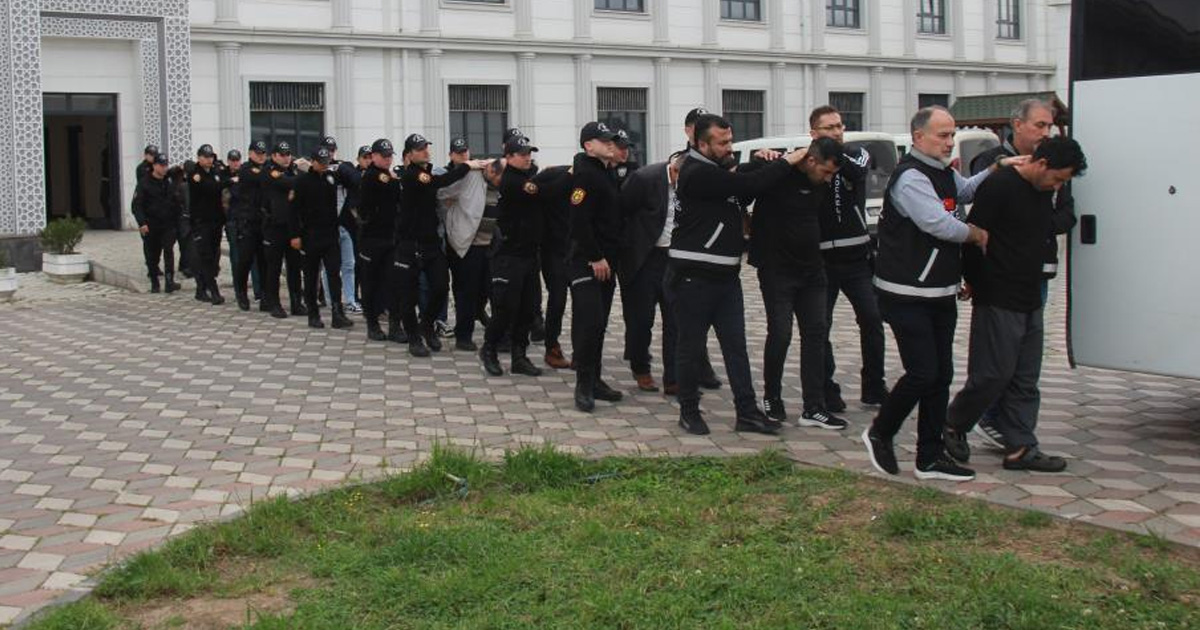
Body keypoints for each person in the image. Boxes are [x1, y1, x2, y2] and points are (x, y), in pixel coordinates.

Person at [861, 106, 1024, 482]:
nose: (949, 142)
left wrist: (994, 170)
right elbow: (937, 223)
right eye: (942, 135)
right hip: (906, 293)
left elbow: (962, 190)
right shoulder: (911, 177)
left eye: (952, 135)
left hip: (938, 292)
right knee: (923, 373)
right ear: (918, 137)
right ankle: (880, 431)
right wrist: (976, 234)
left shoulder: (941, 172)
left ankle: (930, 457)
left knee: (941, 375)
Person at [942, 136, 1087, 473]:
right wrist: (975, 283)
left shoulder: (1043, 191)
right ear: (1041, 163)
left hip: (1030, 293)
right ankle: (953, 423)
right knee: (992, 374)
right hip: (997, 294)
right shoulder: (1000, 186)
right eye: (1057, 178)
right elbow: (973, 237)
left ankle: (1021, 447)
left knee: (1025, 377)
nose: (1058, 186)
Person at [669, 113, 808, 436]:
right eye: (723, 143)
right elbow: (745, 184)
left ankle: (747, 412)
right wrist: (789, 160)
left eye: (731, 140)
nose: (729, 147)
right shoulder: (696, 172)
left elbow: (743, 188)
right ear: (701, 144)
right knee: (690, 347)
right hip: (693, 277)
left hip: (726, 278)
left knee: (736, 347)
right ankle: (689, 410)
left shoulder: (716, 171)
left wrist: (762, 161)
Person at [966, 100, 1076, 451]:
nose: (1045, 132)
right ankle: (975, 419)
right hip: (998, 284)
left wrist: (1039, 229)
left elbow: (1066, 215)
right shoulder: (996, 169)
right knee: (996, 364)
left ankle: (1019, 440)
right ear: (1018, 125)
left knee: (1025, 367)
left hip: (1034, 277)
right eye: (1039, 125)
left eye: (1049, 126)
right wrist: (978, 279)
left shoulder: (1054, 171)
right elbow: (976, 230)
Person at [749, 136, 849, 430]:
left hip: (812, 271)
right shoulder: (779, 170)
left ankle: (814, 407)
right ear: (811, 160)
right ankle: (772, 397)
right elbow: (745, 181)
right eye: (826, 172)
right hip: (777, 270)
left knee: (816, 334)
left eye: (833, 174)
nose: (829, 179)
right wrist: (767, 158)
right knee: (780, 333)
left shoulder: (822, 183)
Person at [810, 105, 889, 409]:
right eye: (829, 128)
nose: (837, 132)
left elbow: (857, 170)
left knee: (872, 319)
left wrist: (831, 151)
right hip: (821, 260)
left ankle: (874, 385)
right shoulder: (809, 160)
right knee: (820, 325)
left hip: (856, 256)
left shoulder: (856, 153)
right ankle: (826, 387)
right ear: (814, 132)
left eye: (840, 126)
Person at [396, 133, 485, 356]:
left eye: (427, 146)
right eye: (420, 149)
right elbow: (440, 182)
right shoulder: (412, 175)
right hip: (409, 243)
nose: (426, 151)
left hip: (430, 242)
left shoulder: (426, 172)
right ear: (409, 155)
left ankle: (426, 324)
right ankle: (414, 338)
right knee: (408, 294)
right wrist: (467, 166)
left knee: (440, 287)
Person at [567, 122, 626, 412]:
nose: (611, 145)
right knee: (589, 323)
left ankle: (596, 380)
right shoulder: (585, 175)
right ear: (589, 145)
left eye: (612, 140)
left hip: (607, 261)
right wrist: (594, 257)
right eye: (605, 141)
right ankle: (583, 384)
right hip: (587, 262)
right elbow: (580, 222)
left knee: (600, 323)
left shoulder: (608, 172)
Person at [480, 136, 545, 377]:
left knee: (527, 309)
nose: (528, 157)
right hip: (509, 256)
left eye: (529, 152)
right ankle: (489, 350)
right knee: (505, 308)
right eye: (522, 153)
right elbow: (541, 189)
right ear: (509, 157)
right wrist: (569, 172)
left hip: (528, 254)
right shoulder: (512, 181)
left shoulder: (527, 176)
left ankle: (520, 356)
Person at [290, 147, 354, 330]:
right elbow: (293, 211)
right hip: (310, 236)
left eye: (327, 162)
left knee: (334, 274)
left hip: (330, 235)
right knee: (311, 276)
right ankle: (313, 313)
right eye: (321, 162)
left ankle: (337, 312)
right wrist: (295, 235)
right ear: (313, 161)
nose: (324, 165)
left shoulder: (330, 178)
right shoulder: (302, 181)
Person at [441, 138, 493, 352]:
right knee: (465, 290)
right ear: (451, 155)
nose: (463, 156)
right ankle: (464, 334)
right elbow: (440, 191)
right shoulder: (463, 175)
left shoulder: (481, 171)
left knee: (486, 287)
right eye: (458, 153)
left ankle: (478, 314)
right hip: (465, 242)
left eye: (465, 152)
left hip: (488, 241)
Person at [357, 138, 402, 343]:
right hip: (372, 238)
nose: (387, 159)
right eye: (383, 156)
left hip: (390, 237)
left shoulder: (389, 176)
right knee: (371, 282)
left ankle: (394, 325)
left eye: (390, 156)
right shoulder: (372, 176)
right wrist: (393, 180)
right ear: (373, 156)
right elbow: (389, 190)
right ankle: (372, 324)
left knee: (392, 283)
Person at [531, 163, 574, 369]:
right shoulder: (554, 176)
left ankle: (582, 349)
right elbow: (538, 191)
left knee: (585, 303)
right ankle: (552, 346)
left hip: (579, 250)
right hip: (553, 249)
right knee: (558, 299)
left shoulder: (596, 178)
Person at [261, 141, 302, 318]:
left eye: (288, 154)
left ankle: (296, 303)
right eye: (282, 155)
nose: (286, 158)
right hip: (274, 226)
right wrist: (302, 178)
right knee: (274, 267)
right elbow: (286, 183)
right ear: (274, 155)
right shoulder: (270, 170)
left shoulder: (293, 170)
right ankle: (274, 303)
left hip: (292, 226)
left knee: (294, 266)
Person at [131, 153, 181, 294]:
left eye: (166, 165)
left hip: (167, 224)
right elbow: (136, 206)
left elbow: (176, 203)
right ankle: (154, 281)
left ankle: (169, 281)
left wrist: (177, 222)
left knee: (169, 251)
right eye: (161, 165)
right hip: (151, 225)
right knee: (152, 254)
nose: (164, 168)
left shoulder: (169, 182)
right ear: (154, 166)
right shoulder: (144, 183)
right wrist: (142, 223)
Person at [231, 140, 269, 311]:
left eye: (263, 153)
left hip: (263, 222)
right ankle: (241, 293)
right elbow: (261, 177)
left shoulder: (266, 168)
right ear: (250, 153)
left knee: (264, 261)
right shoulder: (246, 169)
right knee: (245, 260)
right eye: (258, 153)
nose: (261, 156)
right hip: (247, 222)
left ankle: (263, 295)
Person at [185, 144, 226, 305]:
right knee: (206, 256)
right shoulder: (195, 174)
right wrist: (227, 181)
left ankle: (200, 289)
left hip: (215, 221)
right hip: (201, 222)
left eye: (211, 157)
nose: (210, 160)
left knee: (213, 257)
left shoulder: (215, 171)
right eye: (206, 157)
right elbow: (211, 188)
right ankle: (214, 291)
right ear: (199, 157)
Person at [332, 145, 369, 314]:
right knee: (348, 264)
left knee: (359, 265)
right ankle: (347, 297)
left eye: (370, 157)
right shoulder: (351, 172)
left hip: (366, 226)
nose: (367, 160)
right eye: (364, 157)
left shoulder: (378, 175)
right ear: (359, 158)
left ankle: (358, 296)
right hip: (349, 224)